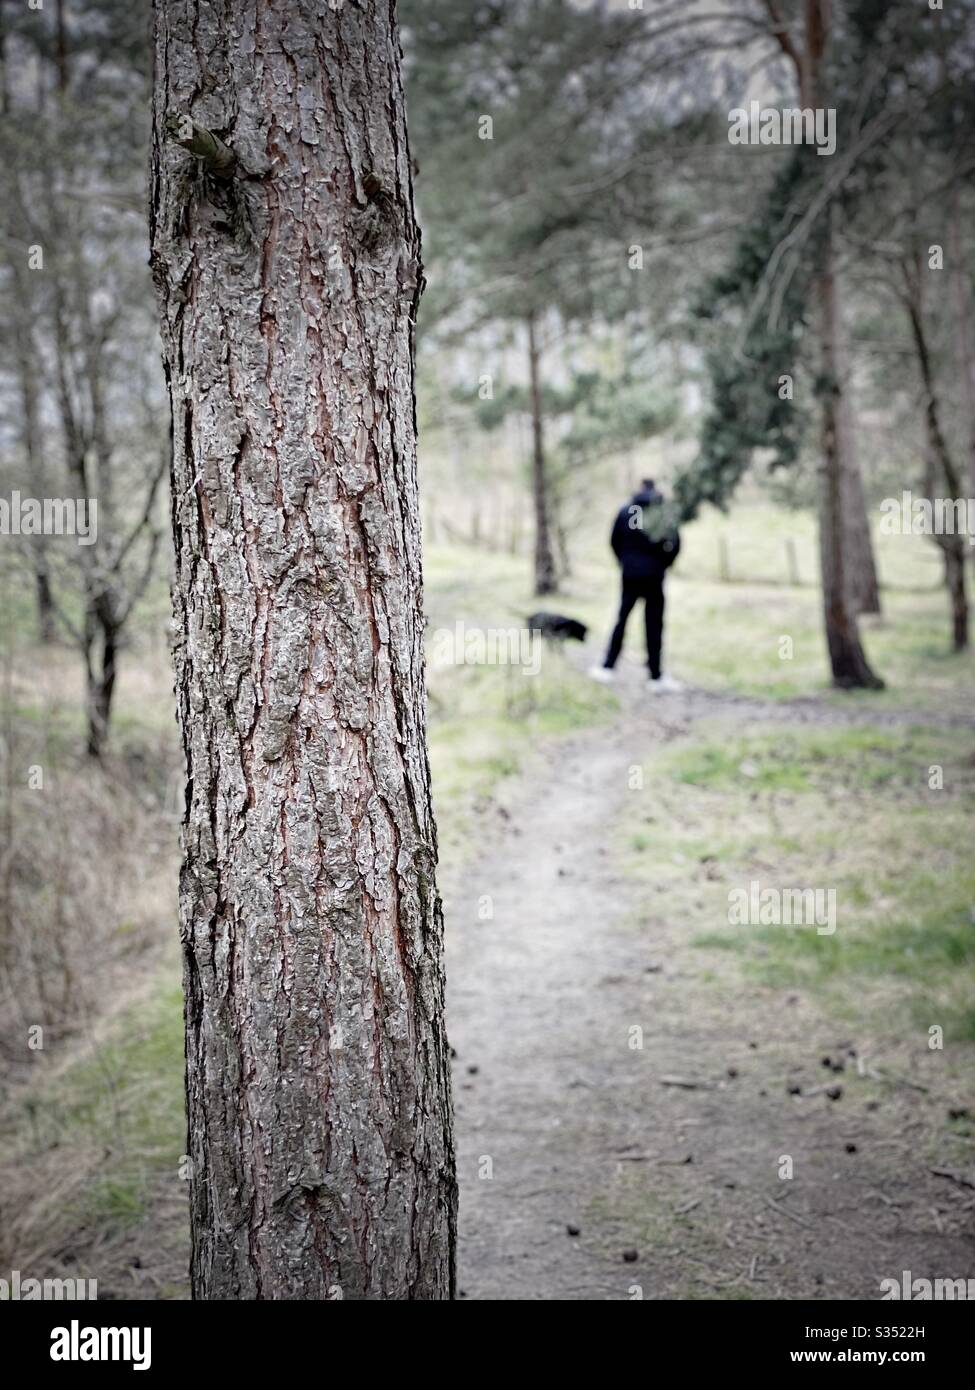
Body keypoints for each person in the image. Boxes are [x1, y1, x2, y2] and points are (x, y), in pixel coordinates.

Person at [590, 478, 683, 690]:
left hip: (630, 575)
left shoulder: (627, 511)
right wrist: (662, 564)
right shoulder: (662, 513)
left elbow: (614, 541)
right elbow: (676, 543)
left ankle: (608, 666)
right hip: (654, 576)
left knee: (622, 620)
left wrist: (625, 562)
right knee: (654, 624)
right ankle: (655, 675)